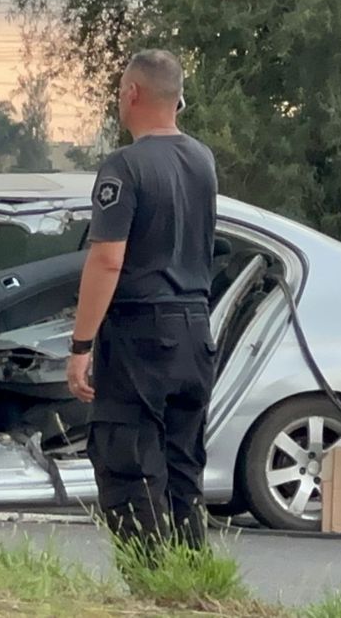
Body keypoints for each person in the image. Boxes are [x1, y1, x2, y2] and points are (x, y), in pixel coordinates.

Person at [66, 49, 219, 554]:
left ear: (132, 93)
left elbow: (108, 260)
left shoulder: (124, 167)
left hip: (140, 336)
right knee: (182, 469)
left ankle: (152, 581)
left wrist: (81, 346)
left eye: (119, 91)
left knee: (129, 464)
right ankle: (192, 576)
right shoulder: (202, 160)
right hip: (195, 331)